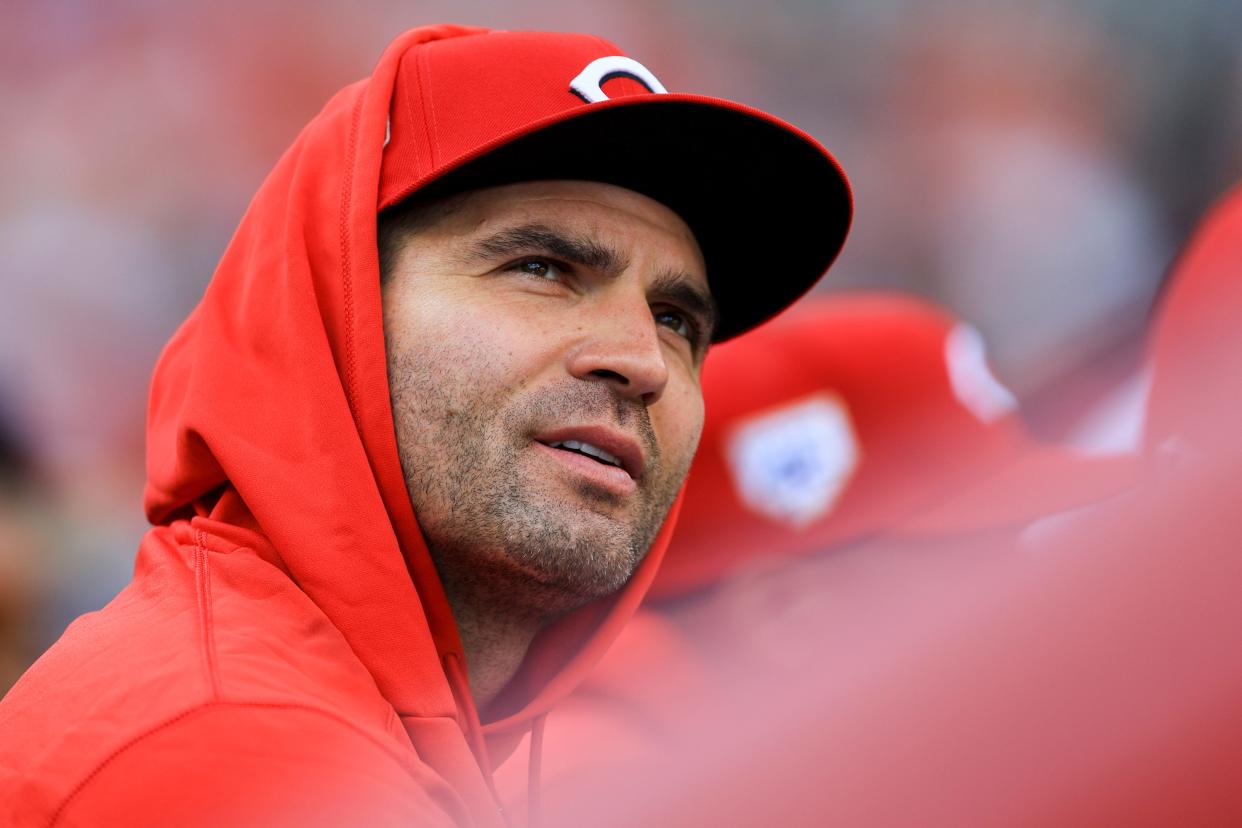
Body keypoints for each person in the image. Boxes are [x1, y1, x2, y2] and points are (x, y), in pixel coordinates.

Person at [0, 24, 850, 828]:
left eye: (677, 320)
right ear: (336, 315)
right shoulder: (239, 745)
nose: (643, 360)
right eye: (542, 268)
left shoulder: (340, 718)